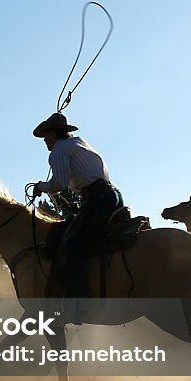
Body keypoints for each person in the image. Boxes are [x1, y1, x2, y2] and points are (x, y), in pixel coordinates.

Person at [31, 112, 123, 299]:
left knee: (70, 242)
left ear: (54, 134)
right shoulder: (78, 143)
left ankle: (78, 296)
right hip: (111, 196)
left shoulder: (59, 151)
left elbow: (60, 184)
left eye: (46, 135)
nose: (44, 140)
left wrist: (41, 186)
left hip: (98, 199)